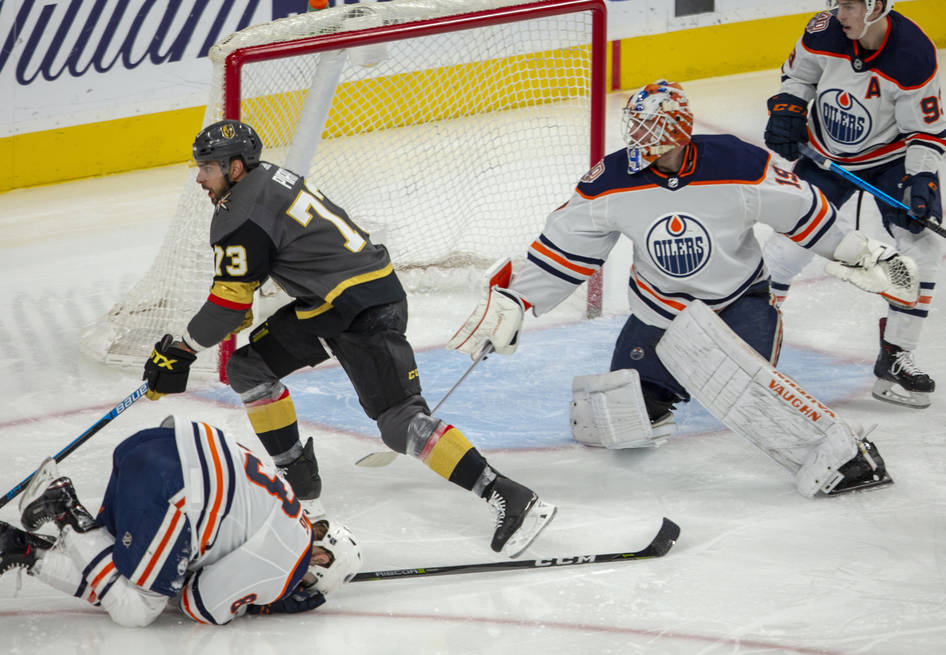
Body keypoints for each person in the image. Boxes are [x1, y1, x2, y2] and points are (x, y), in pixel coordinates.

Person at [449, 80, 918, 497]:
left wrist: (859, 252)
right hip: (660, 313)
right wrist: (519, 299)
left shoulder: (738, 164)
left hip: (737, 305)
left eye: (649, 127)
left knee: (751, 395)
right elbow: (566, 249)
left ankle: (846, 457)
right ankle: (659, 391)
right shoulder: (611, 181)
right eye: (635, 125)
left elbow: (803, 209)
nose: (638, 135)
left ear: (676, 129)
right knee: (615, 419)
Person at [139, 120, 555, 559]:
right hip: (333, 304)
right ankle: (300, 483)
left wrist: (182, 349)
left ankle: (510, 496)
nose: (200, 178)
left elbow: (229, 307)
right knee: (249, 368)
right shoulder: (266, 180)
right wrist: (193, 342)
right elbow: (239, 304)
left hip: (360, 311)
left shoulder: (240, 214)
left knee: (400, 424)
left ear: (236, 167)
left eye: (208, 168)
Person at [0, 416, 363, 626]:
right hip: (177, 490)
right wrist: (259, 603)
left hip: (154, 446)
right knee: (138, 608)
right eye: (311, 581)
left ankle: (16, 549)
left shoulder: (291, 513)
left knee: (120, 571)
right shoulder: (286, 567)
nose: (303, 584)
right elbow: (201, 607)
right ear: (320, 560)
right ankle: (62, 506)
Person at [762, 0, 945, 408]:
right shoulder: (822, 31)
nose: (839, 14)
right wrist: (789, 108)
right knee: (787, 246)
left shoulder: (913, 54)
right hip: (825, 156)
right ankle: (751, 339)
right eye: (836, 3)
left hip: (889, 160)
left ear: (878, 5)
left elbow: (925, 132)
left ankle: (896, 354)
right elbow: (798, 76)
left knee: (924, 248)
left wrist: (921, 179)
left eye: (848, 5)